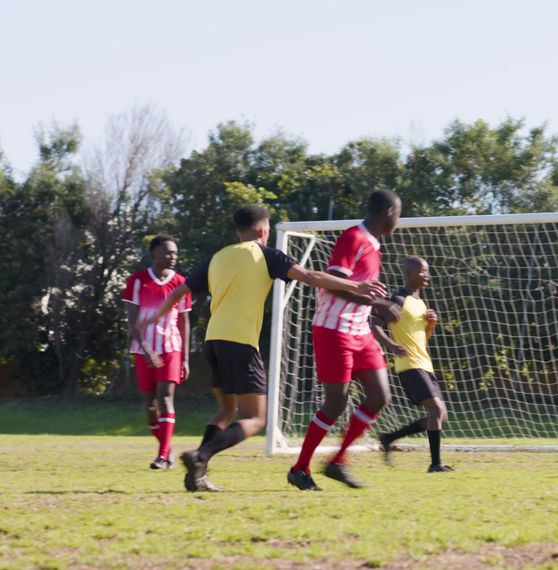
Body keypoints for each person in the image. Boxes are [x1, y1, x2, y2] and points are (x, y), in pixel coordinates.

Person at [153, 204, 387, 492]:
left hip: (213, 341)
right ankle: (200, 455)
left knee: (224, 412)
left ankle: (197, 475)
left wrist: (153, 319)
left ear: (238, 230)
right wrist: (356, 286)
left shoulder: (219, 257)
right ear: (264, 230)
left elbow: (178, 292)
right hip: (240, 342)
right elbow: (312, 277)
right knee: (255, 418)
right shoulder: (266, 254)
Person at [287, 190, 403, 491]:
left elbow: (362, 291)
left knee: (379, 395)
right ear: (390, 213)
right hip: (333, 329)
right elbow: (334, 284)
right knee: (335, 403)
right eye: (398, 215)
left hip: (360, 330)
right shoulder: (354, 237)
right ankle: (300, 469)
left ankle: (338, 461)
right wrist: (378, 305)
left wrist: (377, 302)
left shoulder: (374, 244)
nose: (398, 222)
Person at [374, 256, 453, 473]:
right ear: (408, 273)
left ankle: (389, 437)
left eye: (427, 271)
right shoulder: (397, 301)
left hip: (424, 363)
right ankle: (435, 464)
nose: (426, 275)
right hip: (408, 364)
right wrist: (392, 346)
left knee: (440, 415)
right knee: (436, 410)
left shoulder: (420, 303)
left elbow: (421, 339)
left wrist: (431, 324)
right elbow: (375, 326)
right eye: (421, 272)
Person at [122, 235, 191, 470]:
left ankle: (162, 456)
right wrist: (146, 349)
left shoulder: (181, 283)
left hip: (171, 348)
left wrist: (185, 358)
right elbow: (132, 323)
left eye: (175, 253)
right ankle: (166, 447)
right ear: (154, 253)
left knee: (165, 398)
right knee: (150, 406)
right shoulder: (137, 280)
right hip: (143, 351)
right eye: (168, 252)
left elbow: (184, 322)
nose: (173, 257)